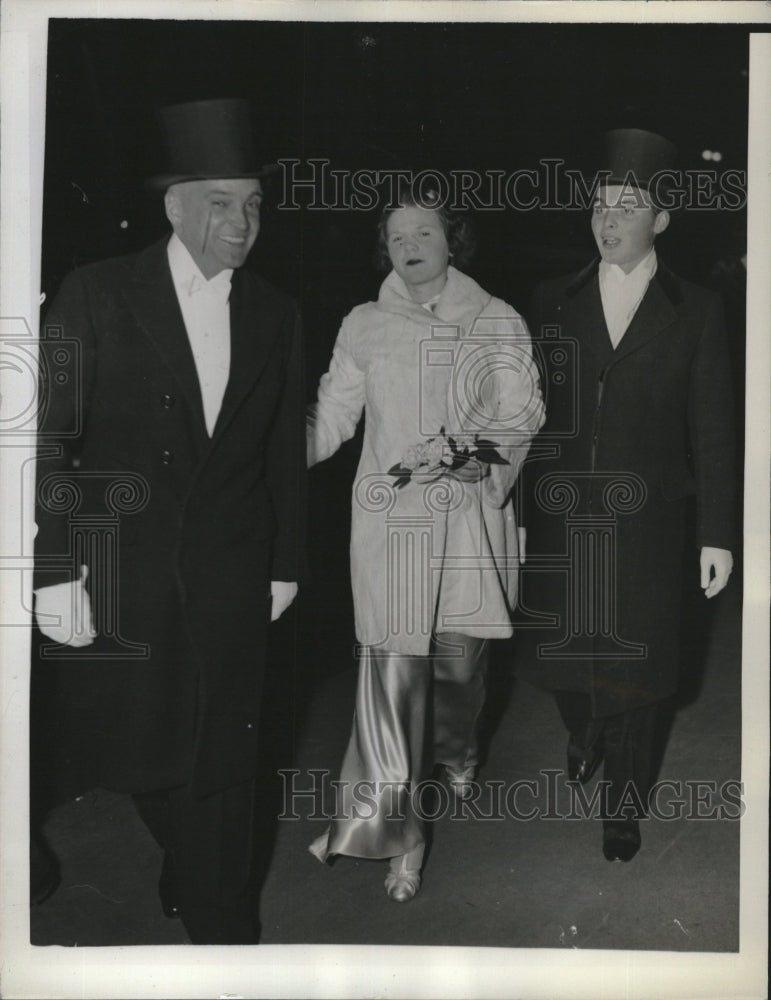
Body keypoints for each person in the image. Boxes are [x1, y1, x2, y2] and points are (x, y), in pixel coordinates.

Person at [31, 99, 307, 943]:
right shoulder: (98, 292)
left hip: (231, 577)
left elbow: (280, 460)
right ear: (174, 207)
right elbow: (48, 438)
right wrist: (52, 566)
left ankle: (224, 941)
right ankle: (183, 854)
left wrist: (286, 562)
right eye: (220, 203)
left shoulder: (277, 313)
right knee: (142, 753)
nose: (242, 223)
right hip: (126, 576)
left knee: (222, 771)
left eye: (254, 205)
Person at [306, 184, 545, 901]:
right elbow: (332, 415)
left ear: (452, 242)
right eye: (397, 236)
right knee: (391, 687)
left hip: (468, 522)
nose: (409, 245)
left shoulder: (495, 320)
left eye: (423, 232)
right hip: (390, 529)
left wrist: (486, 455)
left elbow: (522, 410)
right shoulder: (362, 325)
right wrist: (265, 454)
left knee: (456, 673)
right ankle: (397, 838)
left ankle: (458, 748)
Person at [519, 129, 736, 862]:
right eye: (598, 206)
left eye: (625, 207)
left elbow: (713, 427)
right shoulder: (552, 300)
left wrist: (717, 533)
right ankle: (583, 729)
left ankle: (623, 805)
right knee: (566, 668)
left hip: (650, 523)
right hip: (562, 520)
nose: (606, 221)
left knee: (638, 674)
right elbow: (529, 414)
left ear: (661, 221)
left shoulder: (699, 310)